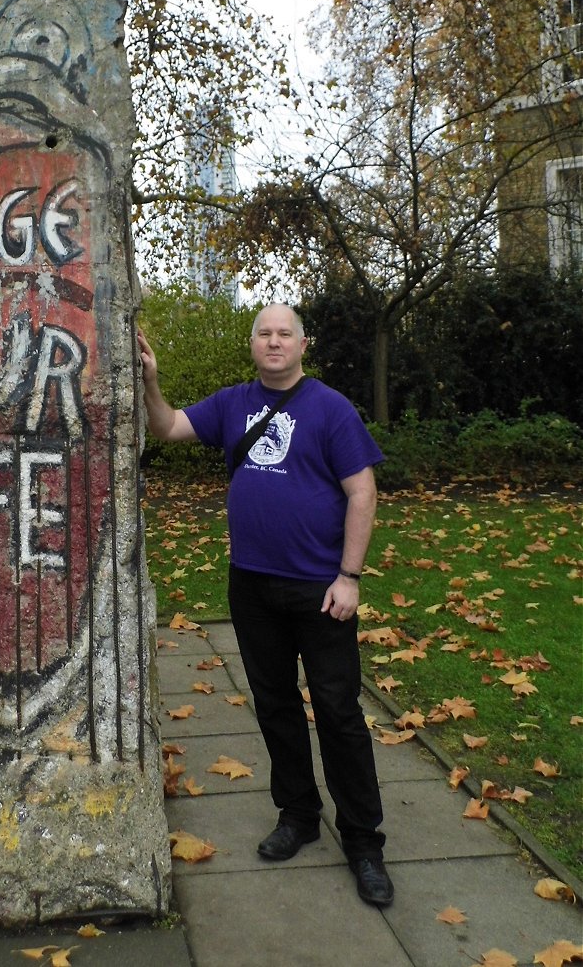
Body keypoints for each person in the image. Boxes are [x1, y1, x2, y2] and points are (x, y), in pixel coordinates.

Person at [138, 303, 394, 908]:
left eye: (285, 333)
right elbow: (168, 428)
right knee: (275, 704)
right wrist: (151, 382)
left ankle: (363, 842)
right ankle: (298, 816)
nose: (274, 342)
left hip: (320, 589)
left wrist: (349, 576)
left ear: (303, 343)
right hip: (251, 586)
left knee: (338, 713)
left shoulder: (330, 409)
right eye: (264, 333)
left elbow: (363, 492)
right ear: (251, 343)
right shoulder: (232, 403)